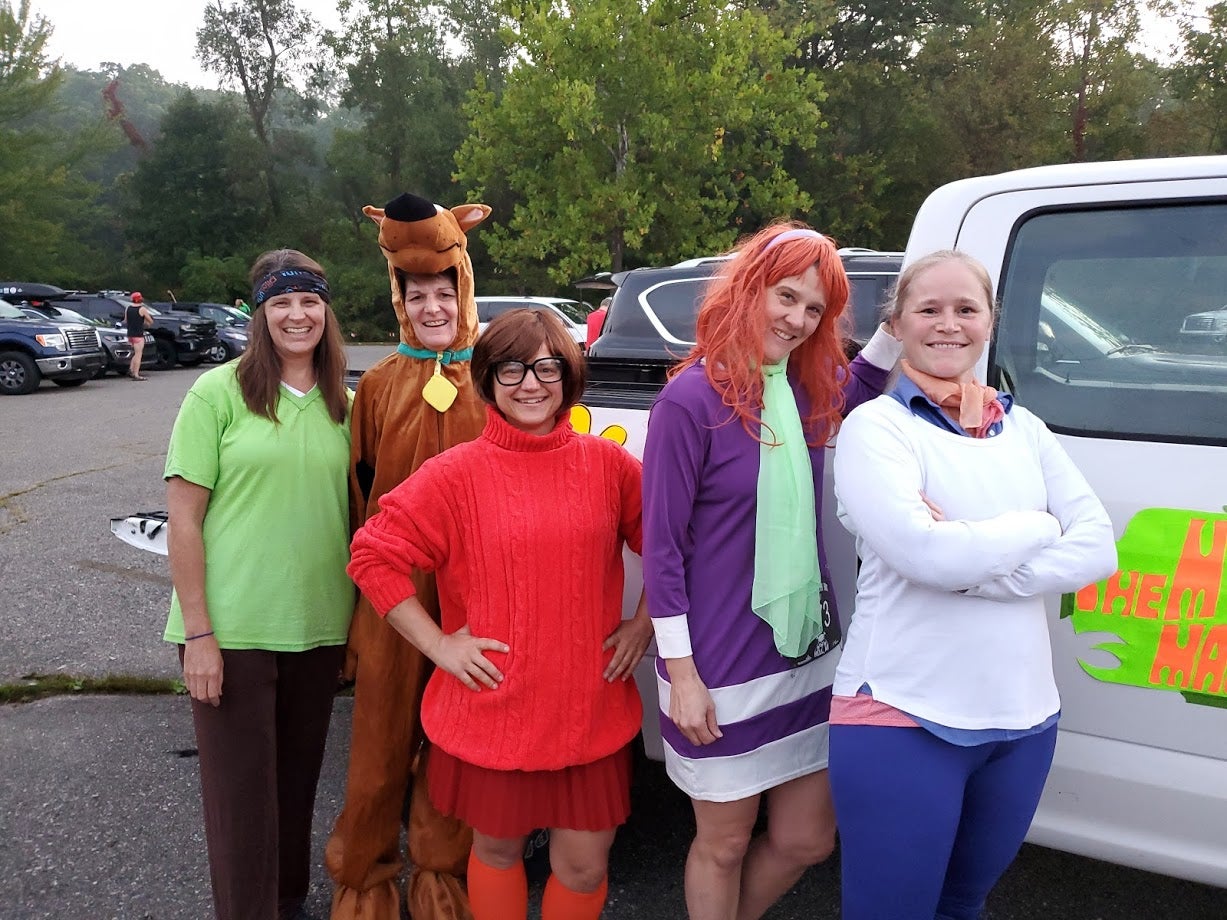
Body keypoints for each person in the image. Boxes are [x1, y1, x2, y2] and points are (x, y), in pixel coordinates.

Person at [828, 250, 1117, 920]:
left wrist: (973, 566)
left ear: (989, 321)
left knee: (962, 906)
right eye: (928, 309)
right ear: (896, 323)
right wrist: (1038, 523)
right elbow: (925, 556)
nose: (947, 324)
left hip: (1022, 721)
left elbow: (1097, 548)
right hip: (900, 715)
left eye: (966, 309)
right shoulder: (875, 428)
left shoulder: (1025, 430)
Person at [347, 307, 652, 920]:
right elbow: (373, 556)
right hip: (496, 710)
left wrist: (642, 623)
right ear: (485, 380)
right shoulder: (454, 475)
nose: (530, 383)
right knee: (495, 850)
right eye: (510, 368)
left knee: (585, 865)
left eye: (546, 367)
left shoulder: (610, 466)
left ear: (568, 375)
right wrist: (438, 646)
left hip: (587, 708)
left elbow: (674, 550)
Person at [641, 223, 901, 920]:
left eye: (813, 309)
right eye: (785, 296)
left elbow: (862, 383)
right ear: (747, 290)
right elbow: (661, 550)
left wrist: (899, 324)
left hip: (806, 653)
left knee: (808, 839)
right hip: (718, 665)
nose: (795, 318)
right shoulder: (688, 402)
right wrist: (682, 678)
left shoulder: (799, 390)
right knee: (721, 845)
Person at [164, 249, 354, 920]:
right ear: (260, 314)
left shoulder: (345, 405)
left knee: (296, 786)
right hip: (232, 628)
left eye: (308, 302)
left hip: (319, 626)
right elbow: (182, 520)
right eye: (281, 303)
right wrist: (199, 635)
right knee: (241, 799)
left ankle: (288, 901)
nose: (296, 314)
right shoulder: (217, 393)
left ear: (325, 311)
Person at [326, 192, 492, 920]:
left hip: (474, 595)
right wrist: (354, 620)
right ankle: (363, 875)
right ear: (398, 298)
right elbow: (355, 499)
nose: (431, 306)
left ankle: (441, 870)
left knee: (456, 741)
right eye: (415, 293)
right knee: (380, 738)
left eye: (442, 291)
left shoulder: (495, 378)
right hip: (391, 599)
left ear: (464, 289)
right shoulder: (381, 385)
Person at [126, 291, 152, 380]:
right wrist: (146, 323)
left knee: (135, 353)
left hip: (130, 334)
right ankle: (136, 374)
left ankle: (131, 369)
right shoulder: (142, 309)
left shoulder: (128, 308)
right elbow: (150, 320)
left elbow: (126, 320)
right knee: (138, 354)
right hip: (138, 335)